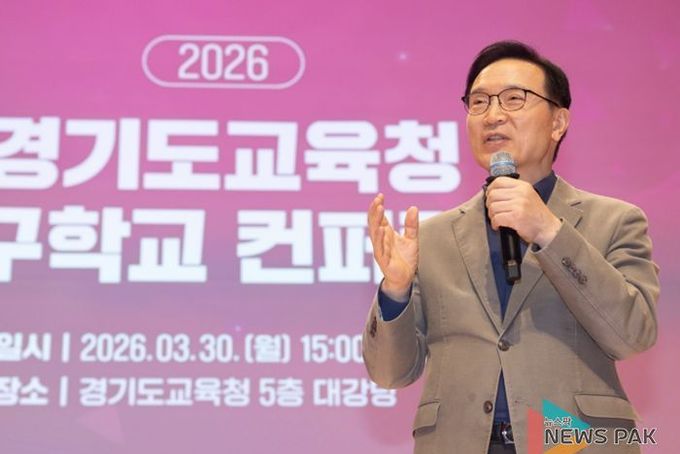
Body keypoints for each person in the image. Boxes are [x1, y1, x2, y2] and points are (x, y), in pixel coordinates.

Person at [362, 41, 659, 454]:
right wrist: (395, 291)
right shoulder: (431, 237)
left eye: (514, 99)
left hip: (571, 443)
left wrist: (549, 232)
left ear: (558, 122)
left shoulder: (615, 221)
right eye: (479, 102)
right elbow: (390, 373)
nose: (493, 115)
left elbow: (632, 335)